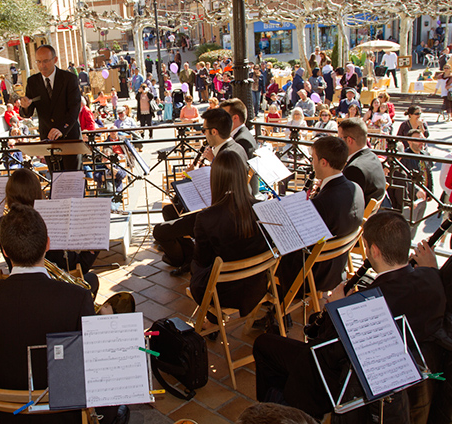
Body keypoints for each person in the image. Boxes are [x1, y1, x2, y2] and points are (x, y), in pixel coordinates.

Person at [254, 211, 445, 422]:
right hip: (405, 375)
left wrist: (336, 309)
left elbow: (324, 350)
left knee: (264, 344)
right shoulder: (433, 278)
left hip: (347, 383)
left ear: (374, 250)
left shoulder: (364, 304)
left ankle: (277, 414)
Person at [0, 205, 128, 424]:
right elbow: (92, 356)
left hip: (10, 413)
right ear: (47, 244)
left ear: (5, 251)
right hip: (65, 413)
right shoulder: (77, 297)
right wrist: (108, 323)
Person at [153, 108, 248, 276]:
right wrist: (195, 174)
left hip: (217, 215)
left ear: (214, 131)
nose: (203, 134)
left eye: (204, 130)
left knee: (160, 231)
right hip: (217, 208)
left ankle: (180, 259)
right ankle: (189, 256)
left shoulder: (227, 155)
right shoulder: (235, 147)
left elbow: (222, 192)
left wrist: (204, 172)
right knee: (169, 210)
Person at [277, 136, 364, 294]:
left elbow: (295, 238)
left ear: (324, 162)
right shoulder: (356, 188)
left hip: (312, 275)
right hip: (337, 268)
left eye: (313, 159)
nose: (312, 163)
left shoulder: (323, 203)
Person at [190, 150, 269, 318]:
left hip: (222, 293)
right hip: (256, 286)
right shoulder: (263, 208)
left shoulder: (206, 218)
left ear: (216, 179)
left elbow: (202, 261)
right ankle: (213, 321)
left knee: (195, 266)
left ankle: (212, 319)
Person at [0, 169, 100, 291]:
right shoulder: (44, 221)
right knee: (92, 279)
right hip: (50, 287)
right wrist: (92, 249)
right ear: (36, 192)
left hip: (16, 286)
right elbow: (76, 267)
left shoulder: (2, 223)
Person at [22, 45, 82, 170]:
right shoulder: (32, 82)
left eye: (45, 61)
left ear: (55, 60)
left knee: (73, 180)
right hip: (48, 140)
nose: (42, 65)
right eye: (38, 62)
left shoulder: (69, 78)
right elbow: (27, 113)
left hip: (69, 137)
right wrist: (25, 106)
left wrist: (61, 129)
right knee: (55, 179)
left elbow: (74, 108)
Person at [338, 118, 386, 205]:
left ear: (349, 140)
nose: (338, 143)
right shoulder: (373, 157)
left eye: (339, 138)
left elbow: (344, 205)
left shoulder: (354, 169)